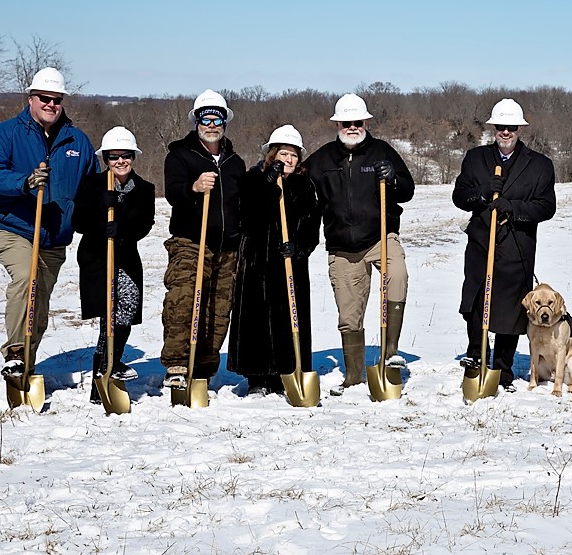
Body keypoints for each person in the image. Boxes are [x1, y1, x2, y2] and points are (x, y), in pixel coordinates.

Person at [0, 67, 97, 382]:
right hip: (11, 227)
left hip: (54, 237)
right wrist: (25, 181)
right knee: (26, 279)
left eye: (56, 99)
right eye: (44, 98)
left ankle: (23, 370)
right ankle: (16, 353)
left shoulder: (78, 141)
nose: (51, 104)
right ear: (31, 98)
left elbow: (92, 187)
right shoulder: (6, 133)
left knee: (39, 308)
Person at [304, 93, 416, 396]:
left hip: (380, 237)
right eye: (346, 122)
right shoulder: (322, 159)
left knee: (398, 276)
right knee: (348, 313)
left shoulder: (382, 152)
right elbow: (298, 185)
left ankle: (390, 353)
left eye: (357, 122)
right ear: (338, 124)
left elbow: (407, 190)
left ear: (365, 122)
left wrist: (392, 178)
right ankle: (354, 375)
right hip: (341, 246)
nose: (352, 126)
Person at [452, 99, 557, 390]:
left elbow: (547, 207)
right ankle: (476, 356)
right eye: (501, 127)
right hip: (481, 242)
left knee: (511, 308)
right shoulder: (476, 159)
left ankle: (503, 368)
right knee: (475, 301)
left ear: (520, 129)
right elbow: (460, 197)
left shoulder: (539, 165)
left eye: (511, 127)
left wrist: (514, 207)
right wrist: (483, 194)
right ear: (493, 129)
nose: (506, 132)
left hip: (517, 246)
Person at [160, 90, 246, 390]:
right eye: (205, 119)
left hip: (227, 247)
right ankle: (177, 363)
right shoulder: (180, 155)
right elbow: (172, 192)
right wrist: (194, 187)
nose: (212, 125)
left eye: (217, 118)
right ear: (196, 122)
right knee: (184, 300)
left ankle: (204, 367)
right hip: (191, 241)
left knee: (218, 308)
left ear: (225, 122)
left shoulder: (235, 162)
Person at [229, 125, 322, 395]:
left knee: (288, 317)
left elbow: (312, 226)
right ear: (272, 155)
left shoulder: (305, 186)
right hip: (257, 261)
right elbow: (245, 215)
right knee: (257, 318)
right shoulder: (253, 179)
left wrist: (299, 247)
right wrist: (266, 185)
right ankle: (257, 377)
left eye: (294, 155)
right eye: (284, 153)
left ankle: (287, 371)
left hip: (290, 262)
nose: (289, 160)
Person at [73, 127, 155, 398]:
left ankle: (109, 363)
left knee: (127, 306)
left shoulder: (144, 189)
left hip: (126, 256)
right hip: (97, 257)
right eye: (113, 156)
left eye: (126, 156)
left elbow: (144, 225)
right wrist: (99, 208)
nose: (120, 161)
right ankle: (104, 372)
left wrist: (122, 229)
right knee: (108, 313)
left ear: (133, 156)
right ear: (105, 159)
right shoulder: (92, 184)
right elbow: (78, 223)